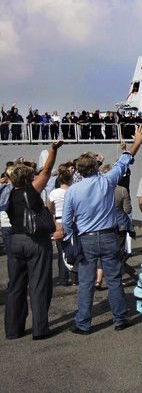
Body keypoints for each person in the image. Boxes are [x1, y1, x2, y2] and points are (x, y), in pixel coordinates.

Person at [62, 125, 142, 334]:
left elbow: (65, 221)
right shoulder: (107, 181)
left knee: (86, 283)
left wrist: (73, 236)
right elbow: (124, 161)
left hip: (86, 238)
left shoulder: (72, 191)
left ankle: (83, 323)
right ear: (97, 167)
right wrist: (137, 142)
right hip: (109, 235)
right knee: (114, 279)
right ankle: (120, 318)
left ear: (79, 170)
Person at [4, 142, 61, 340]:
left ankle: (13, 330)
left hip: (14, 240)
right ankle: (40, 329)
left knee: (15, 287)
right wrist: (53, 150)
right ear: (29, 178)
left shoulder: (8, 194)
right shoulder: (32, 190)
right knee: (38, 286)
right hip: (35, 241)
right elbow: (46, 170)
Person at [48, 167, 76, 286]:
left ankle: (63, 278)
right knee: (75, 248)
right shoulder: (74, 191)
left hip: (58, 221)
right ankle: (75, 276)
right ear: (70, 180)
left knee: (61, 251)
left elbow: (50, 207)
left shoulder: (54, 192)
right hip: (73, 221)